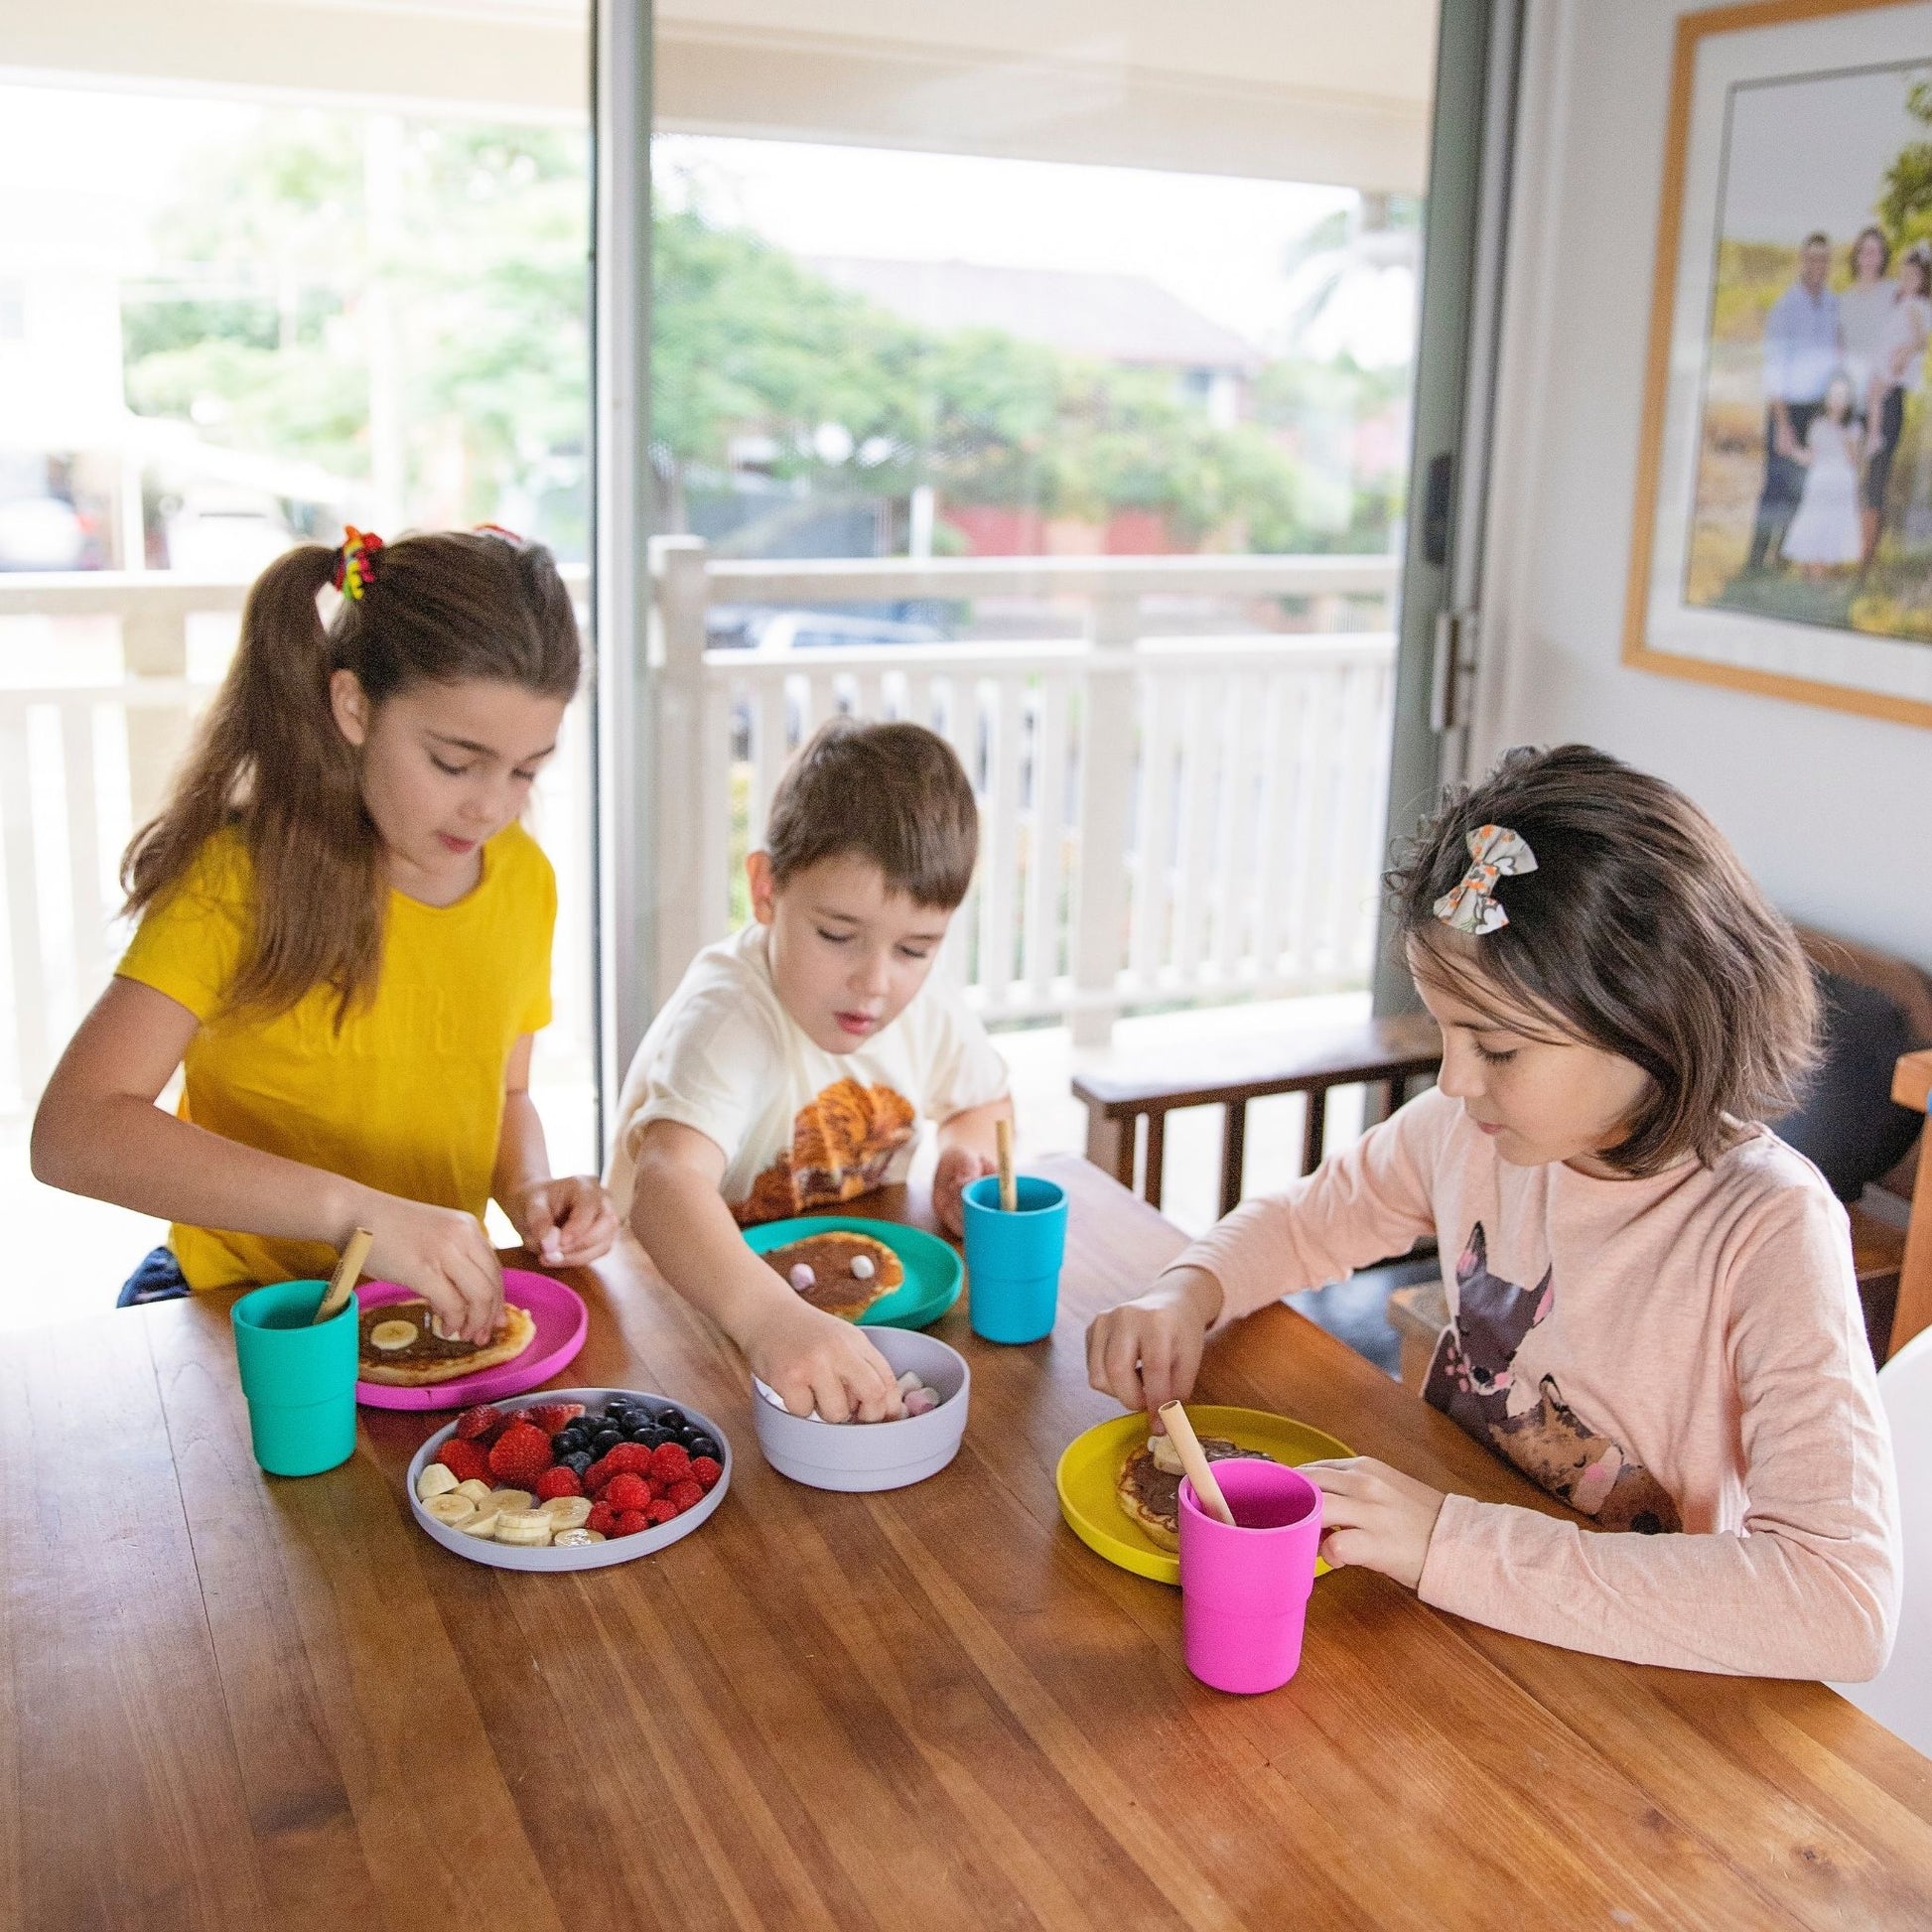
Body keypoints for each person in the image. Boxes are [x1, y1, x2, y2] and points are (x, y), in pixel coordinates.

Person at [1085, 746, 1899, 1680]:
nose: (1453, 1080)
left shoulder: (1768, 1231)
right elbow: (1312, 1220)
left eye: (1499, 1048)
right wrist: (1190, 1290)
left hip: (1620, 1676)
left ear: (1655, 1019)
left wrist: (1447, 1542)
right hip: (1443, 1626)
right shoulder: (1468, 1131)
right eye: (1445, 1031)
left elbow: (1842, 1601)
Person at [31, 527, 618, 1337]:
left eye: (527, 770)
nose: (494, 808)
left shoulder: (523, 878)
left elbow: (506, 1094)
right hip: (241, 1309)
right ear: (354, 706)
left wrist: (532, 1192)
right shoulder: (238, 882)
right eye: (455, 762)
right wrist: (360, 1217)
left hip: (427, 1313)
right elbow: (74, 1131)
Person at [609, 718, 1013, 1424]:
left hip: (854, 1324)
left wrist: (963, 1152)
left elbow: (986, 1101)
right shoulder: (729, 1016)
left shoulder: (926, 1007)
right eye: (837, 935)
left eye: (916, 948)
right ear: (766, 891)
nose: (876, 983)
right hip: (688, 1325)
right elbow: (664, 1185)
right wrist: (769, 1320)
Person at [1748, 232, 1842, 571]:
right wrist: (1783, 425)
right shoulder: (1786, 307)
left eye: (1824, 259)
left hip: (1815, 412)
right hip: (1786, 409)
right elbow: (1774, 370)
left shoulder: (1832, 305)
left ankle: (1781, 558)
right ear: (1803, 260)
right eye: (1813, 257)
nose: (1818, 265)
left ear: (1828, 264)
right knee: (1775, 484)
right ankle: (1755, 559)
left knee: (1801, 487)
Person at [1861, 244, 1932, 567]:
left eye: (1915, 275)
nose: (1908, 278)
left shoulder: (1917, 305)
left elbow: (1921, 340)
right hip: (1881, 374)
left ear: (1924, 279)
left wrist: (1906, 353)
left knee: (1877, 472)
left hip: (1893, 381)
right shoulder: (1898, 300)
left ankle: (1868, 554)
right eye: (1905, 273)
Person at [1780, 372, 1864, 575]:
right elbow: (1811, 456)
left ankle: (1825, 570)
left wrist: (1845, 437)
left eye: (1842, 397)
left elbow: (1854, 460)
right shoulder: (1817, 424)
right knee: (1813, 520)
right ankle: (1808, 570)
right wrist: (1792, 449)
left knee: (1834, 522)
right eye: (1833, 396)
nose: (1837, 402)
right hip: (1819, 480)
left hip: (1841, 481)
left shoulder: (1853, 428)